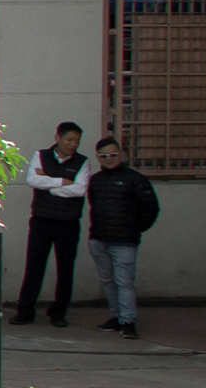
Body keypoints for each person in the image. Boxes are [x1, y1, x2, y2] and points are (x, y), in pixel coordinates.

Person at [15, 118, 90, 326]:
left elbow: (80, 190)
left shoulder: (83, 162)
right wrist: (62, 182)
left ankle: (59, 313)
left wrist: (48, 184)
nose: (73, 144)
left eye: (76, 140)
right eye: (69, 139)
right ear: (57, 138)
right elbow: (32, 180)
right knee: (34, 267)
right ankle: (25, 310)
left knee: (65, 269)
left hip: (68, 223)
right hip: (41, 221)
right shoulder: (40, 156)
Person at [87, 135, 161, 338]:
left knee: (124, 282)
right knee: (108, 282)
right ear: (98, 157)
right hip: (98, 239)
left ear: (121, 154)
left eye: (113, 154)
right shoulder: (95, 180)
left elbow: (151, 209)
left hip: (125, 242)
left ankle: (128, 321)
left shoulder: (136, 179)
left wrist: (134, 229)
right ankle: (117, 317)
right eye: (104, 155)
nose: (109, 158)